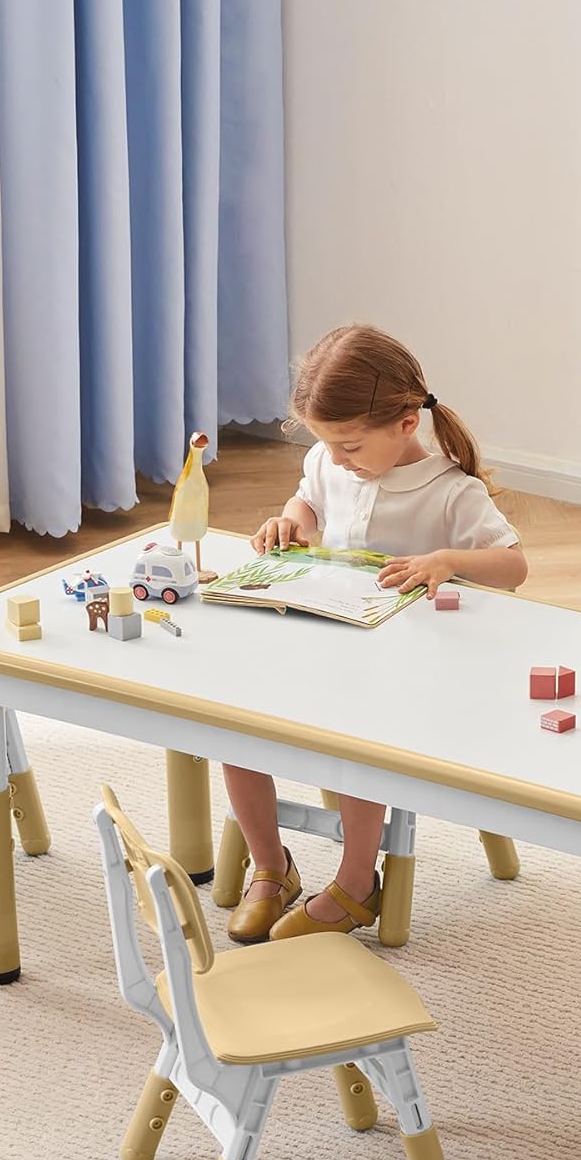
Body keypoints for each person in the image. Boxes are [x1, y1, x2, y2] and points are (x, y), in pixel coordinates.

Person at [224, 323, 528, 942]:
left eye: (350, 446)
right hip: (331, 643)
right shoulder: (328, 461)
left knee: (354, 737)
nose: (337, 459)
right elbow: (308, 502)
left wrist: (448, 560)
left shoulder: (451, 491)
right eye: (327, 445)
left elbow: (514, 567)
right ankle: (271, 866)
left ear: (406, 424)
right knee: (235, 721)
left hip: (411, 672)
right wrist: (289, 521)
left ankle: (356, 883)